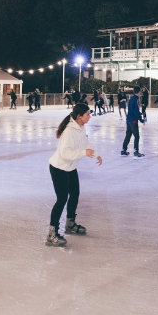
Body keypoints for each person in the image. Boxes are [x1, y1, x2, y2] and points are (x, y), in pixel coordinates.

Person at [46, 103, 102, 247]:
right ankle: (51, 234)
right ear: (79, 116)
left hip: (70, 168)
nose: (90, 117)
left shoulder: (80, 127)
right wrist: (84, 153)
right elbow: (65, 153)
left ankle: (70, 224)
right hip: (59, 168)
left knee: (75, 194)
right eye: (88, 114)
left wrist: (96, 154)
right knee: (62, 199)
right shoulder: (69, 131)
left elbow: (85, 142)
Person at [121, 86, 145, 158]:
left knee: (128, 135)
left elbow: (133, 110)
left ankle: (124, 150)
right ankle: (136, 151)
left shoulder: (132, 99)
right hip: (133, 120)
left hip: (128, 119)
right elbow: (135, 111)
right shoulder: (135, 100)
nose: (141, 93)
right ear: (138, 92)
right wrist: (141, 119)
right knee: (137, 136)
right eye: (140, 91)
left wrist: (139, 114)